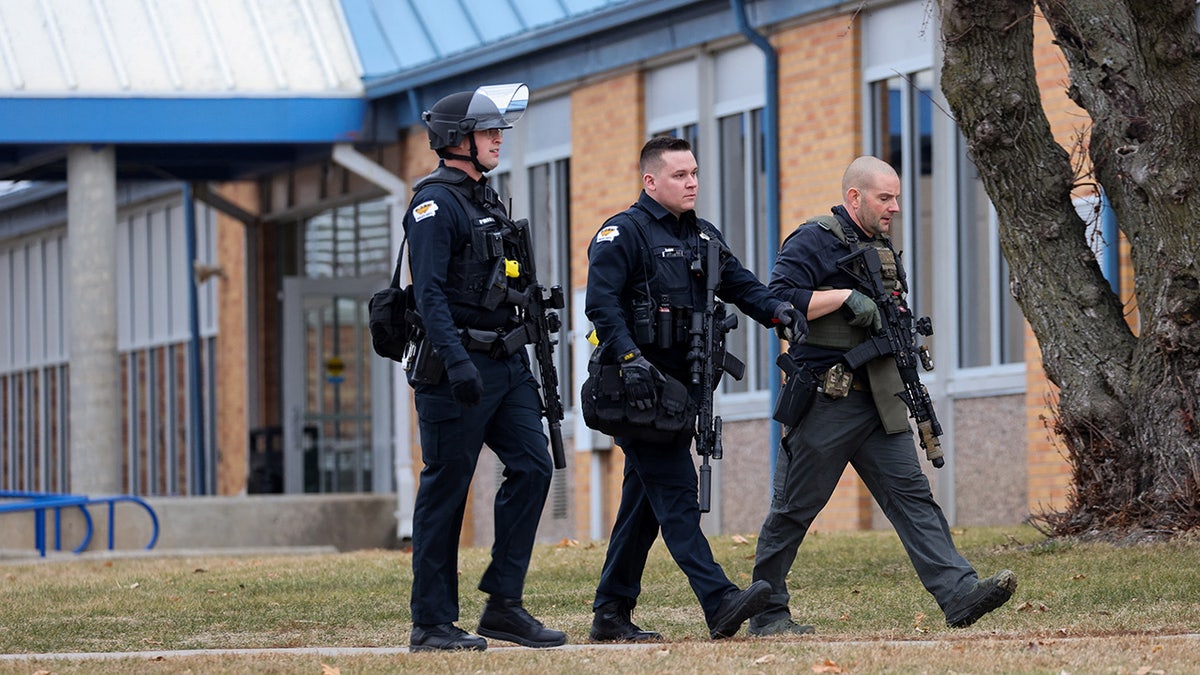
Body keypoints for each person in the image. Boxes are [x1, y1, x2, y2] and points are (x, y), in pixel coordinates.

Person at [748, 155, 1016, 636]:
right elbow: (778, 298)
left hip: (879, 397)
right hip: (826, 401)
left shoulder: (879, 245)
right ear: (855, 197)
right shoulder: (813, 239)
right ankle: (767, 612)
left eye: (896, 197)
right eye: (884, 197)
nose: (894, 207)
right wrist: (843, 298)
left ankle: (958, 594)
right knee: (793, 509)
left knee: (913, 497)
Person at [585, 136, 807, 641]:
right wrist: (628, 357)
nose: (691, 183)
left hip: (684, 393)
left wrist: (778, 312)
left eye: (694, 173)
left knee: (641, 508)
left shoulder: (703, 237)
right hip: (637, 392)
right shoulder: (622, 233)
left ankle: (610, 614)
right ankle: (720, 600)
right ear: (650, 181)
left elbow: (741, 284)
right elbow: (601, 305)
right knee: (678, 494)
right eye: (680, 175)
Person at [403, 84, 567, 652]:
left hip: (506, 360)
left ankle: (503, 605)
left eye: (498, 130)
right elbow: (429, 296)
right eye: (487, 131)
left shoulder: (486, 199)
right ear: (456, 140)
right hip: (455, 370)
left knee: (534, 466)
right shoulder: (433, 205)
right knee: (446, 492)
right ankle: (431, 624)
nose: (498, 139)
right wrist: (455, 362)